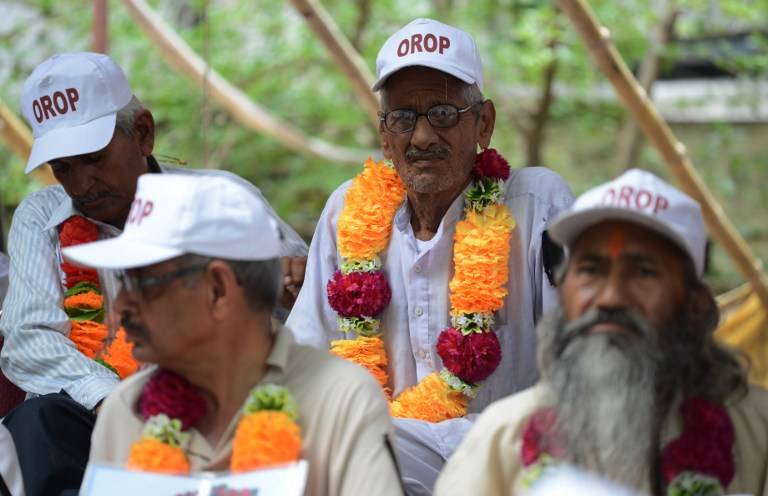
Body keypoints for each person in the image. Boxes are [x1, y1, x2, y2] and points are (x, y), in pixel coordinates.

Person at [286, 18, 573, 495]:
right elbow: (304, 358)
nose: (420, 138)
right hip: (380, 468)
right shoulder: (347, 210)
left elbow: (578, 365)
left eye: (442, 113)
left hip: (514, 466)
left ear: (483, 124)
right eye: (402, 118)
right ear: (384, 136)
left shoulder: (537, 205)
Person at [0, 52, 307, 496]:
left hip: (212, 413)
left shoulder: (222, 198)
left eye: (94, 158)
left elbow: (305, 313)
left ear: (143, 133)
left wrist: (286, 287)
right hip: (87, 419)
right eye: (63, 168)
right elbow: (28, 337)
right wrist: (112, 399)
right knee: (36, 420)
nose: (82, 184)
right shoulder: (42, 217)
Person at [63, 173, 403, 496]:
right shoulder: (127, 410)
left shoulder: (340, 398)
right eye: (122, 282)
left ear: (218, 290)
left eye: (139, 284)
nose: (119, 309)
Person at [434, 169, 768, 495]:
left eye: (643, 272)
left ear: (695, 305)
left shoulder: (756, 432)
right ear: (563, 293)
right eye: (591, 270)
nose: (610, 297)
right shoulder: (505, 435)